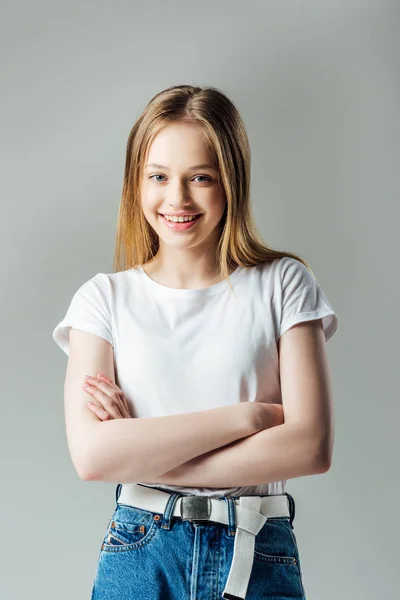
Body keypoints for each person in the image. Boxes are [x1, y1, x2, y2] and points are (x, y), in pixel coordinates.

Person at [52, 84, 339, 600]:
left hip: (256, 549)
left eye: (200, 178)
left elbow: (311, 446)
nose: (177, 198)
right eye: (158, 176)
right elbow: (93, 457)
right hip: (141, 551)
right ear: (136, 184)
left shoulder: (283, 284)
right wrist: (246, 418)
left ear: (231, 182)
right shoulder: (104, 300)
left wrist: (140, 450)